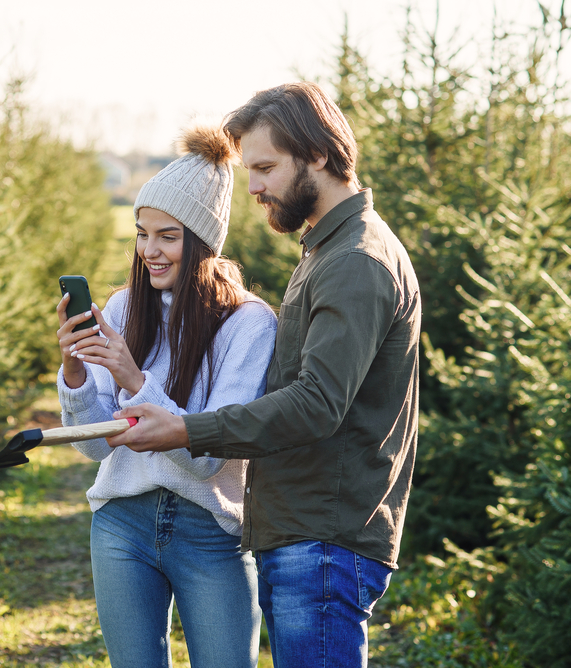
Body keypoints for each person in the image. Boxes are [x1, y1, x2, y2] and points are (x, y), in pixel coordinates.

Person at [107, 82, 422, 668]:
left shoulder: (355, 260)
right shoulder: (327, 250)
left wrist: (184, 431)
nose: (253, 187)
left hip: (323, 539)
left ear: (319, 155)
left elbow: (315, 403)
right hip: (302, 534)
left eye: (266, 168)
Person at [55, 122, 277, 668]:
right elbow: (94, 448)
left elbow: (208, 458)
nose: (149, 251)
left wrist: (135, 379)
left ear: (202, 241)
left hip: (210, 531)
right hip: (121, 524)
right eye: (141, 232)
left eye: (168, 236)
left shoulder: (249, 325)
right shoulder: (124, 309)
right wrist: (74, 369)